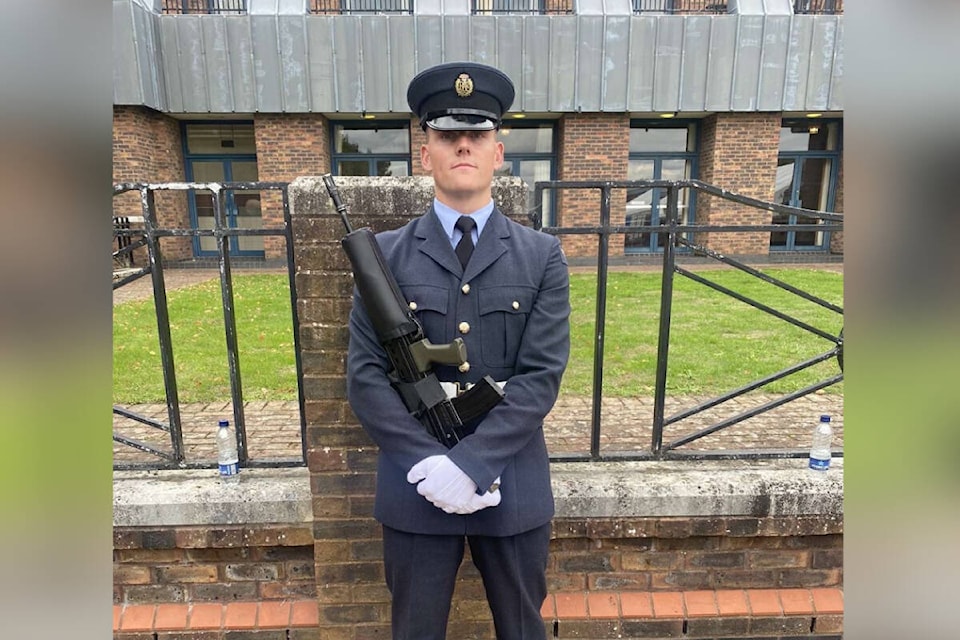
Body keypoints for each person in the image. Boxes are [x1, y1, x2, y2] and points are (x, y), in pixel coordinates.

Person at [345, 61, 571, 640]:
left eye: (477, 135)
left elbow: (540, 376)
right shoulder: (384, 260)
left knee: (523, 631)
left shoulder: (541, 256)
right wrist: (427, 465)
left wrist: (471, 465)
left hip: (512, 479)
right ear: (426, 154)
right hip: (415, 486)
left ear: (499, 152)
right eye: (447, 135)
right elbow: (366, 378)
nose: (463, 145)